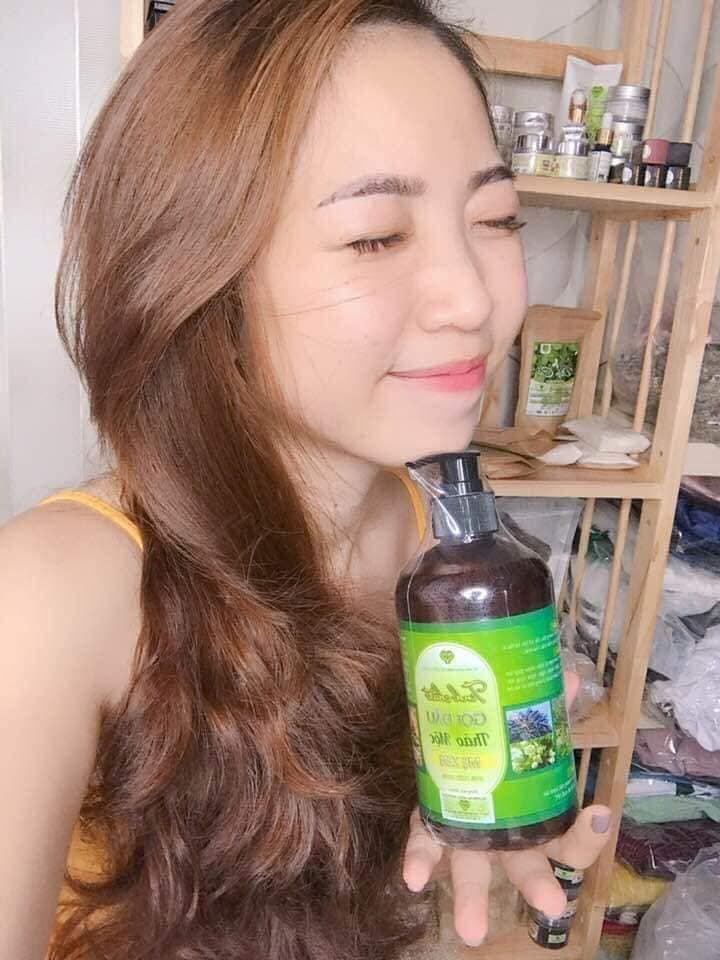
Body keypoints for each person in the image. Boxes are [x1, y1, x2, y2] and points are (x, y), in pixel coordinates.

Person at [0, 1, 612, 957]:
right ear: (196, 269)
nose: (473, 299)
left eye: (496, 218)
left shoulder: (424, 530)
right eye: (375, 236)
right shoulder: (47, 599)